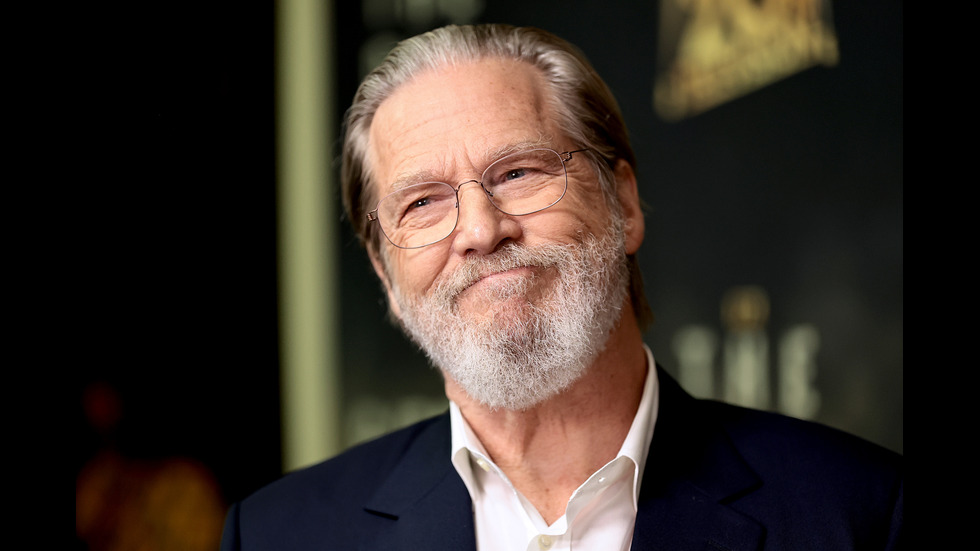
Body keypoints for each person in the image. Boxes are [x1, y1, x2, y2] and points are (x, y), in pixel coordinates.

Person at [220, 24, 903, 550]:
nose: (480, 230)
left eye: (519, 172)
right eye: (422, 203)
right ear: (385, 276)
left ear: (623, 203)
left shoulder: (863, 513)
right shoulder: (279, 534)